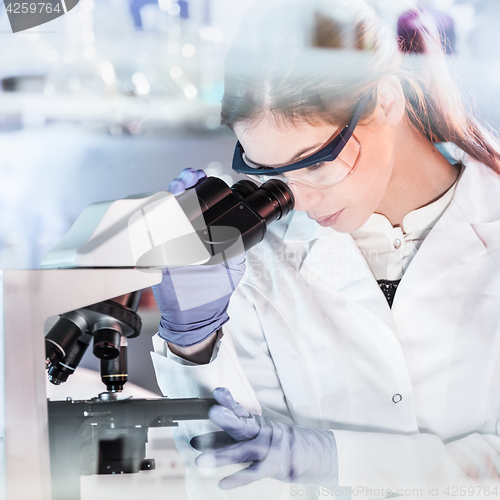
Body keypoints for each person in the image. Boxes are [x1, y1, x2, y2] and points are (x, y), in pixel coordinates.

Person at [150, 1, 500, 499]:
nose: (302, 199)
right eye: (275, 175)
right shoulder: (256, 262)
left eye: (315, 164)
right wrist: (194, 344)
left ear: (386, 101)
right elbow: (230, 480)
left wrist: (341, 459)